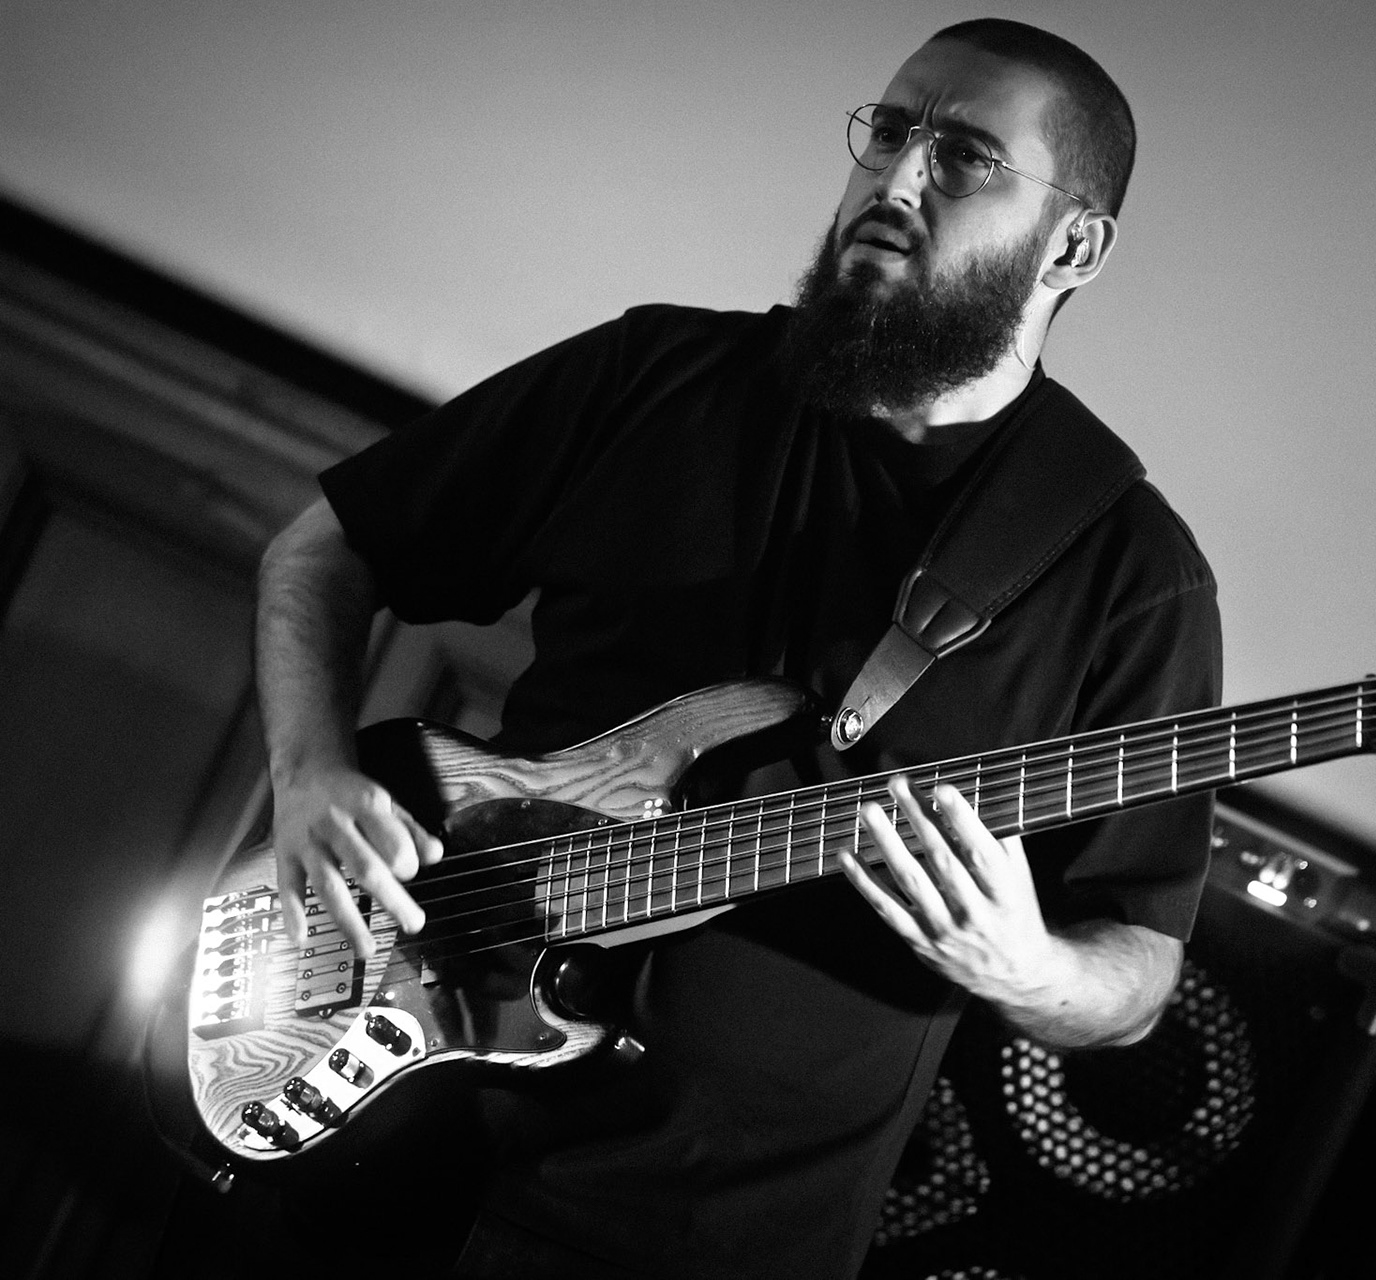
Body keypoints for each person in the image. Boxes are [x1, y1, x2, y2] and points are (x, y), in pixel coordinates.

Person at [254, 17, 1221, 1279]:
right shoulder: (660, 374)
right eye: (889, 131)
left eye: (968, 156)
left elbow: (1137, 966)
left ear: (1076, 246)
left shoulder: (1132, 577)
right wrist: (309, 770)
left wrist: (1029, 967)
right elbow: (322, 549)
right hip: (387, 1117)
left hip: (706, 1234)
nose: (897, 179)